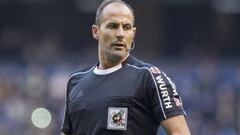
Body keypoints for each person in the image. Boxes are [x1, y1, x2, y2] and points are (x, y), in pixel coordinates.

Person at [61, 0, 191, 135]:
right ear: (96, 31)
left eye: (127, 27)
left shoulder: (149, 77)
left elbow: (180, 132)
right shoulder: (75, 81)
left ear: (133, 33)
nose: (121, 34)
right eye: (113, 26)